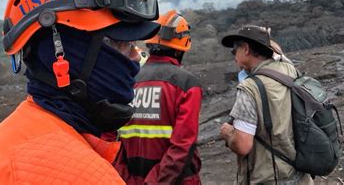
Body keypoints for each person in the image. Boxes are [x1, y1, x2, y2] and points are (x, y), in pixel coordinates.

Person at [0, 0, 161, 184]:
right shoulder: (85, 176)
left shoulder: (1, 140)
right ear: (60, 53)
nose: (136, 57)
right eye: (121, 44)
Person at [114, 10, 202, 184]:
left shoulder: (127, 82)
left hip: (132, 179)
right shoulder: (186, 84)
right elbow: (183, 145)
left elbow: (114, 143)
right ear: (180, 50)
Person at [219, 25, 313, 185]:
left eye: (234, 50)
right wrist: (265, 38)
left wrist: (228, 134)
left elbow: (242, 145)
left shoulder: (249, 88)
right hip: (300, 174)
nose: (234, 55)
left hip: (269, 178)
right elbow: (279, 54)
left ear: (246, 49)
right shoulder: (289, 70)